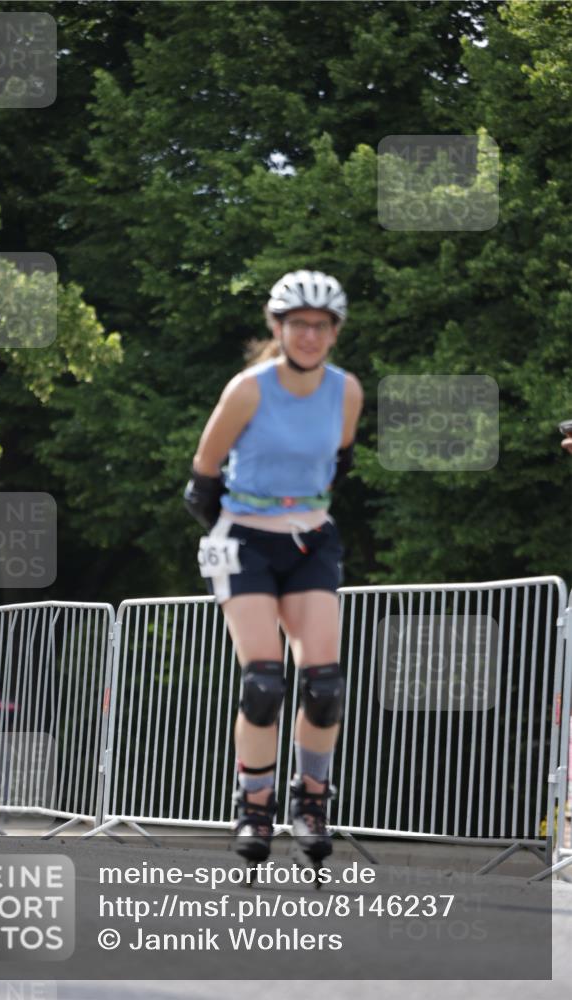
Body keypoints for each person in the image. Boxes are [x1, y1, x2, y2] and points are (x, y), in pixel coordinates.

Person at [184, 269, 363, 866]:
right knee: (263, 683)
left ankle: (311, 799)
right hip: (244, 543)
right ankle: (254, 807)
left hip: (312, 541)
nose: (309, 335)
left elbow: (339, 463)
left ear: (335, 332)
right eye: (298, 324)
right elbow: (203, 477)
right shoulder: (249, 389)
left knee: (324, 686)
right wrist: (235, 543)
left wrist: (301, 516)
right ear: (277, 327)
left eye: (321, 325)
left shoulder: (348, 392)